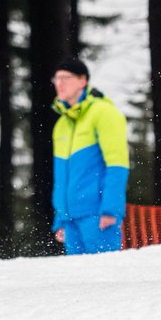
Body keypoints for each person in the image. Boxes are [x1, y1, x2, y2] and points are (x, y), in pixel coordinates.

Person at [51, 57, 130, 255]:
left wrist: (111, 210)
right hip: (70, 220)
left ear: (83, 80)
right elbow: (61, 178)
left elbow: (117, 165)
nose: (60, 84)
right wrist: (60, 218)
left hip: (98, 214)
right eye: (57, 78)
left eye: (66, 78)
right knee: (79, 283)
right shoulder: (61, 124)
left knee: (105, 279)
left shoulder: (104, 113)